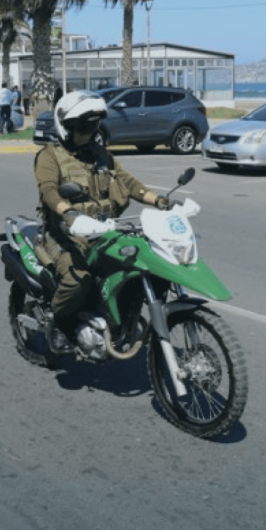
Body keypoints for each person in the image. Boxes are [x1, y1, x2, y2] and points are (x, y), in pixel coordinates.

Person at [34, 91, 175, 349]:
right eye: (83, 127)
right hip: (65, 235)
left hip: (104, 232)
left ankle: (119, 320)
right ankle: (59, 322)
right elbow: (48, 191)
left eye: (93, 126)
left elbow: (129, 183)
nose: (89, 132)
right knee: (78, 280)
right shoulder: (49, 156)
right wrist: (68, 212)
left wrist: (160, 201)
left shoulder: (101, 155)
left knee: (136, 266)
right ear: (67, 127)